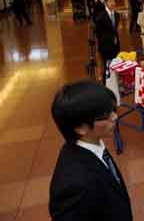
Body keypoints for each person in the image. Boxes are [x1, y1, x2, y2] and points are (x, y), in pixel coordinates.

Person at [49, 81, 132, 221]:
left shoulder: (93, 144)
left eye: (113, 110)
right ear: (80, 128)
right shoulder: (76, 185)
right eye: (106, 116)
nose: (115, 117)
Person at [94, 0, 120, 83]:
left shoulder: (117, 15)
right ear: (105, 3)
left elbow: (114, 30)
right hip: (105, 46)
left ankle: (114, 83)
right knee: (107, 67)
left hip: (115, 45)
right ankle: (106, 84)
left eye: (114, 1)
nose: (113, 3)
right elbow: (98, 33)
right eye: (110, 1)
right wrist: (102, 46)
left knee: (116, 64)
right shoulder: (100, 17)